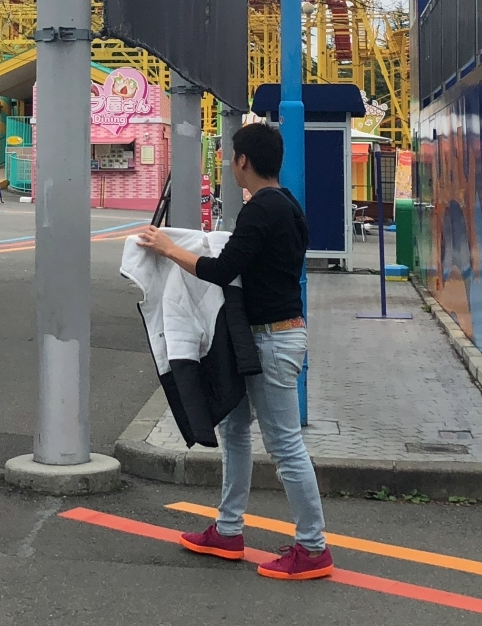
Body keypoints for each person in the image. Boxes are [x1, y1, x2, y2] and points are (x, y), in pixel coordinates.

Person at [134, 122, 333, 581]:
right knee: (235, 428)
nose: (229, 164)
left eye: (231, 157)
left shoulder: (261, 209)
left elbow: (222, 269)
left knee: (285, 445)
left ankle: (313, 547)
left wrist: (168, 248)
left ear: (243, 161)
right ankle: (227, 530)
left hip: (271, 339)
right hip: (267, 336)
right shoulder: (286, 205)